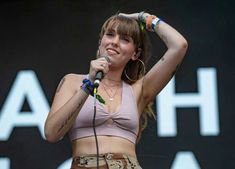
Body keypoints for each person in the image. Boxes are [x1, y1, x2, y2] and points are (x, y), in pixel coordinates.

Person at [44, 11, 188, 169]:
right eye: (110, 35)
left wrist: (142, 17)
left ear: (135, 53)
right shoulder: (72, 81)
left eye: (125, 39)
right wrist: (88, 85)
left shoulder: (138, 90)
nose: (115, 42)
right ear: (100, 42)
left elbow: (179, 45)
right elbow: (51, 133)